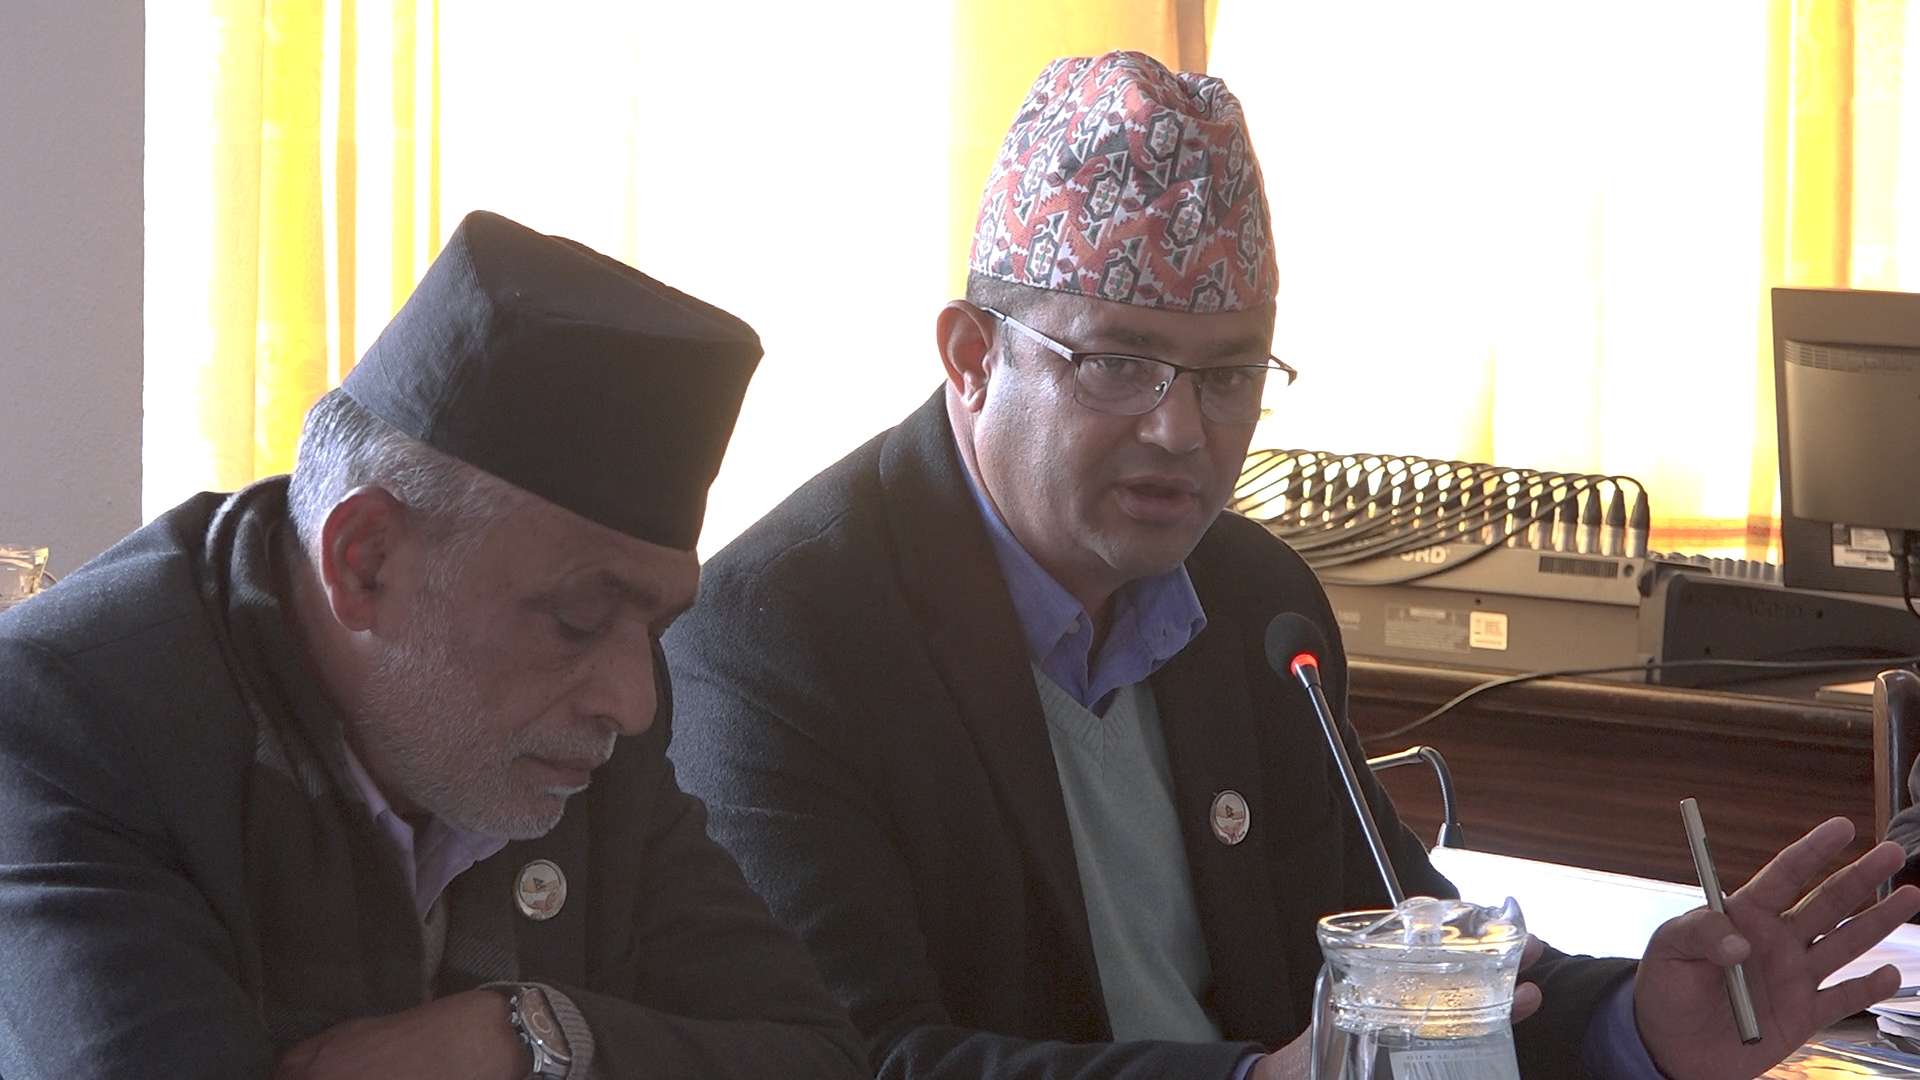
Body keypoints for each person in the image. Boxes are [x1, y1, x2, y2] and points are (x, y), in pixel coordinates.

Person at [663, 51, 1920, 1079]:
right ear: (972, 356)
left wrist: (1639, 1025)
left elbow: (1414, 963)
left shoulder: (1253, 601)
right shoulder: (777, 637)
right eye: (1119, 363)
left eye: (1230, 374)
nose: (1181, 429)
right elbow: (847, 1061)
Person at [0, 211, 865, 1080]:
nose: (633, 700)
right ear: (366, 561)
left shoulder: (592, 717)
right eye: (577, 616)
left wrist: (527, 1036)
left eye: (658, 623)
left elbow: (818, 1058)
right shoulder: (67, 721)